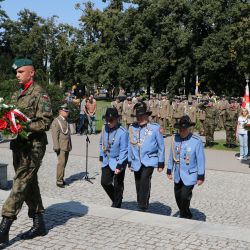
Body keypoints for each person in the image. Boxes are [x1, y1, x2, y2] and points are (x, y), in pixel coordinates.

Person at [0, 59, 53, 243]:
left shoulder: (40, 94)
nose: (17, 75)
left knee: (21, 181)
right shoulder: (16, 95)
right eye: (16, 72)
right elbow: (9, 117)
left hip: (34, 147)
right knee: (29, 182)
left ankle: (4, 227)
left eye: (21, 72)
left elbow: (45, 122)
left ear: (32, 72)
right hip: (18, 146)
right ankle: (39, 225)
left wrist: (24, 126)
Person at [128, 102, 165, 212]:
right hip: (136, 160)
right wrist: (129, 161)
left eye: (142, 116)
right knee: (138, 182)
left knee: (145, 179)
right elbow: (130, 145)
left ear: (147, 116)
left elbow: (161, 146)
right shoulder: (132, 128)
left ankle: (142, 206)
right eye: (138, 116)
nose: (140, 118)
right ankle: (142, 201)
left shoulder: (154, 128)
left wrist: (161, 162)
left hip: (150, 160)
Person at [167, 115, 205, 219]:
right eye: (180, 129)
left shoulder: (196, 141)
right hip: (178, 174)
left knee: (184, 196)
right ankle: (184, 212)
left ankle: (186, 216)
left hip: (190, 174)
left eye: (184, 129)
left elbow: (201, 160)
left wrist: (201, 176)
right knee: (178, 196)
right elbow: (172, 155)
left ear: (188, 128)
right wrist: (169, 169)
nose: (182, 131)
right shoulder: (176, 139)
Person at [99, 108, 128, 208]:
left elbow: (124, 150)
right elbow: (101, 143)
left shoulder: (123, 132)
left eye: (111, 121)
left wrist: (119, 165)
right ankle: (116, 199)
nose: (108, 122)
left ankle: (117, 204)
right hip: (107, 160)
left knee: (118, 184)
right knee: (104, 182)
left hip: (119, 160)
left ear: (116, 120)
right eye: (107, 120)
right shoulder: (104, 128)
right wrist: (101, 156)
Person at [51, 104, 72, 187]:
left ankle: (62, 178)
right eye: (65, 111)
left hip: (66, 146)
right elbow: (54, 135)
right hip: (61, 146)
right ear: (60, 111)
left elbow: (67, 134)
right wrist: (56, 146)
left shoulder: (65, 120)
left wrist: (70, 145)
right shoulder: (56, 121)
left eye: (67, 111)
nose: (67, 112)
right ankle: (59, 181)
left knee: (64, 163)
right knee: (61, 163)